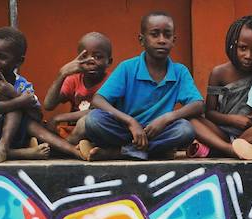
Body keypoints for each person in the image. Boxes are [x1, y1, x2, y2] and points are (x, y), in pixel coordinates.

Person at [77, 11, 204, 160]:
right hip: (125, 130)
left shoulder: (179, 71)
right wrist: (131, 122)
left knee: (185, 130)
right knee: (93, 120)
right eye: (155, 34)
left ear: (174, 40)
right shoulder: (128, 67)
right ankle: (151, 152)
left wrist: (168, 118)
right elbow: (98, 100)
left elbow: (198, 104)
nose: (162, 40)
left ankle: (119, 153)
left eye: (167, 35)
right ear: (142, 40)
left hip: (157, 132)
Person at [0, 27, 83, 162]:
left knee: (24, 116)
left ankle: (74, 151)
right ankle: (21, 153)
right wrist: (20, 100)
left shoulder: (23, 85)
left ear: (19, 61)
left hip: (12, 135)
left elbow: (37, 116)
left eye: (1, 57)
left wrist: (14, 94)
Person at [186, 15, 252, 159]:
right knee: (190, 120)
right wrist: (233, 120)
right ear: (232, 44)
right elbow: (209, 112)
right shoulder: (219, 73)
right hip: (222, 132)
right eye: (243, 48)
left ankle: (222, 149)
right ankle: (229, 149)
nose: (248, 55)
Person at [44, 32, 112, 139]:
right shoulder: (74, 80)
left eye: (98, 57)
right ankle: (75, 146)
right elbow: (48, 105)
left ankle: (65, 147)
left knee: (85, 122)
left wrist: (60, 117)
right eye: (84, 56)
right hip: (73, 130)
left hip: (97, 128)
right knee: (46, 126)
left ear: (109, 62)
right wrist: (62, 74)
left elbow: (96, 111)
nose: (90, 61)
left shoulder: (111, 81)